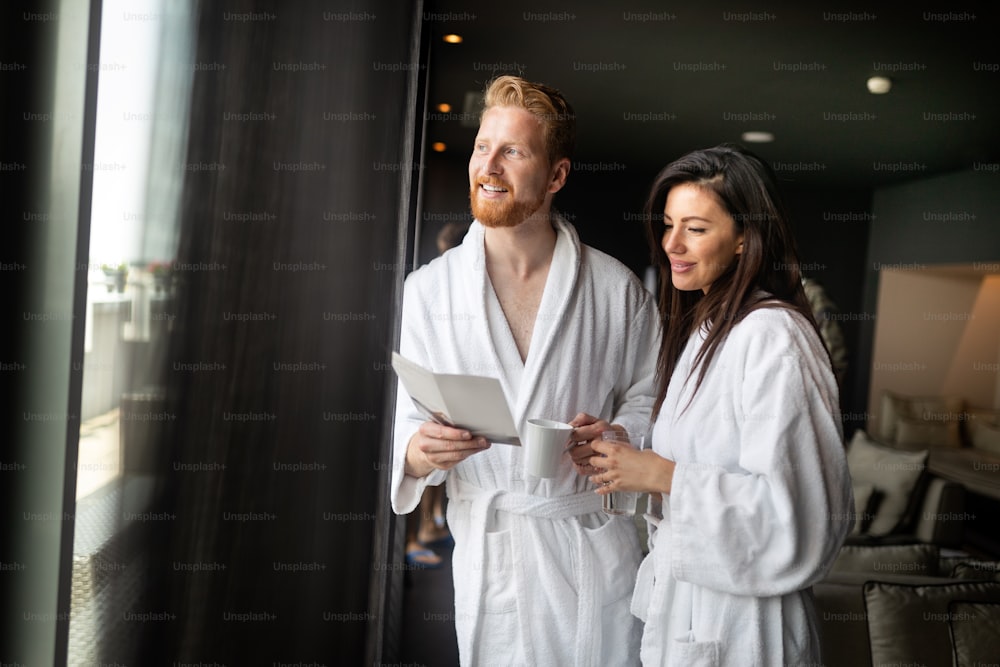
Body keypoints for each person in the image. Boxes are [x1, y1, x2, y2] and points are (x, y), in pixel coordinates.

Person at [391, 75, 658, 665]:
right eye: (483, 147)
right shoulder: (429, 293)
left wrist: (619, 438)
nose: (490, 166)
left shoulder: (617, 291)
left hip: (591, 550)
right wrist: (419, 450)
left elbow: (651, 400)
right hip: (493, 554)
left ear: (556, 175)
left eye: (513, 151)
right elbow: (406, 421)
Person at [588, 144, 853, 666]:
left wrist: (665, 475)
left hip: (748, 632)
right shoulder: (706, 329)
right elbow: (706, 457)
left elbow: (802, 517)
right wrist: (626, 451)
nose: (672, 244)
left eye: (696, 228)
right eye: (667, 224)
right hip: (694, 617)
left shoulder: (774, 337)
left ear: (743, 240)